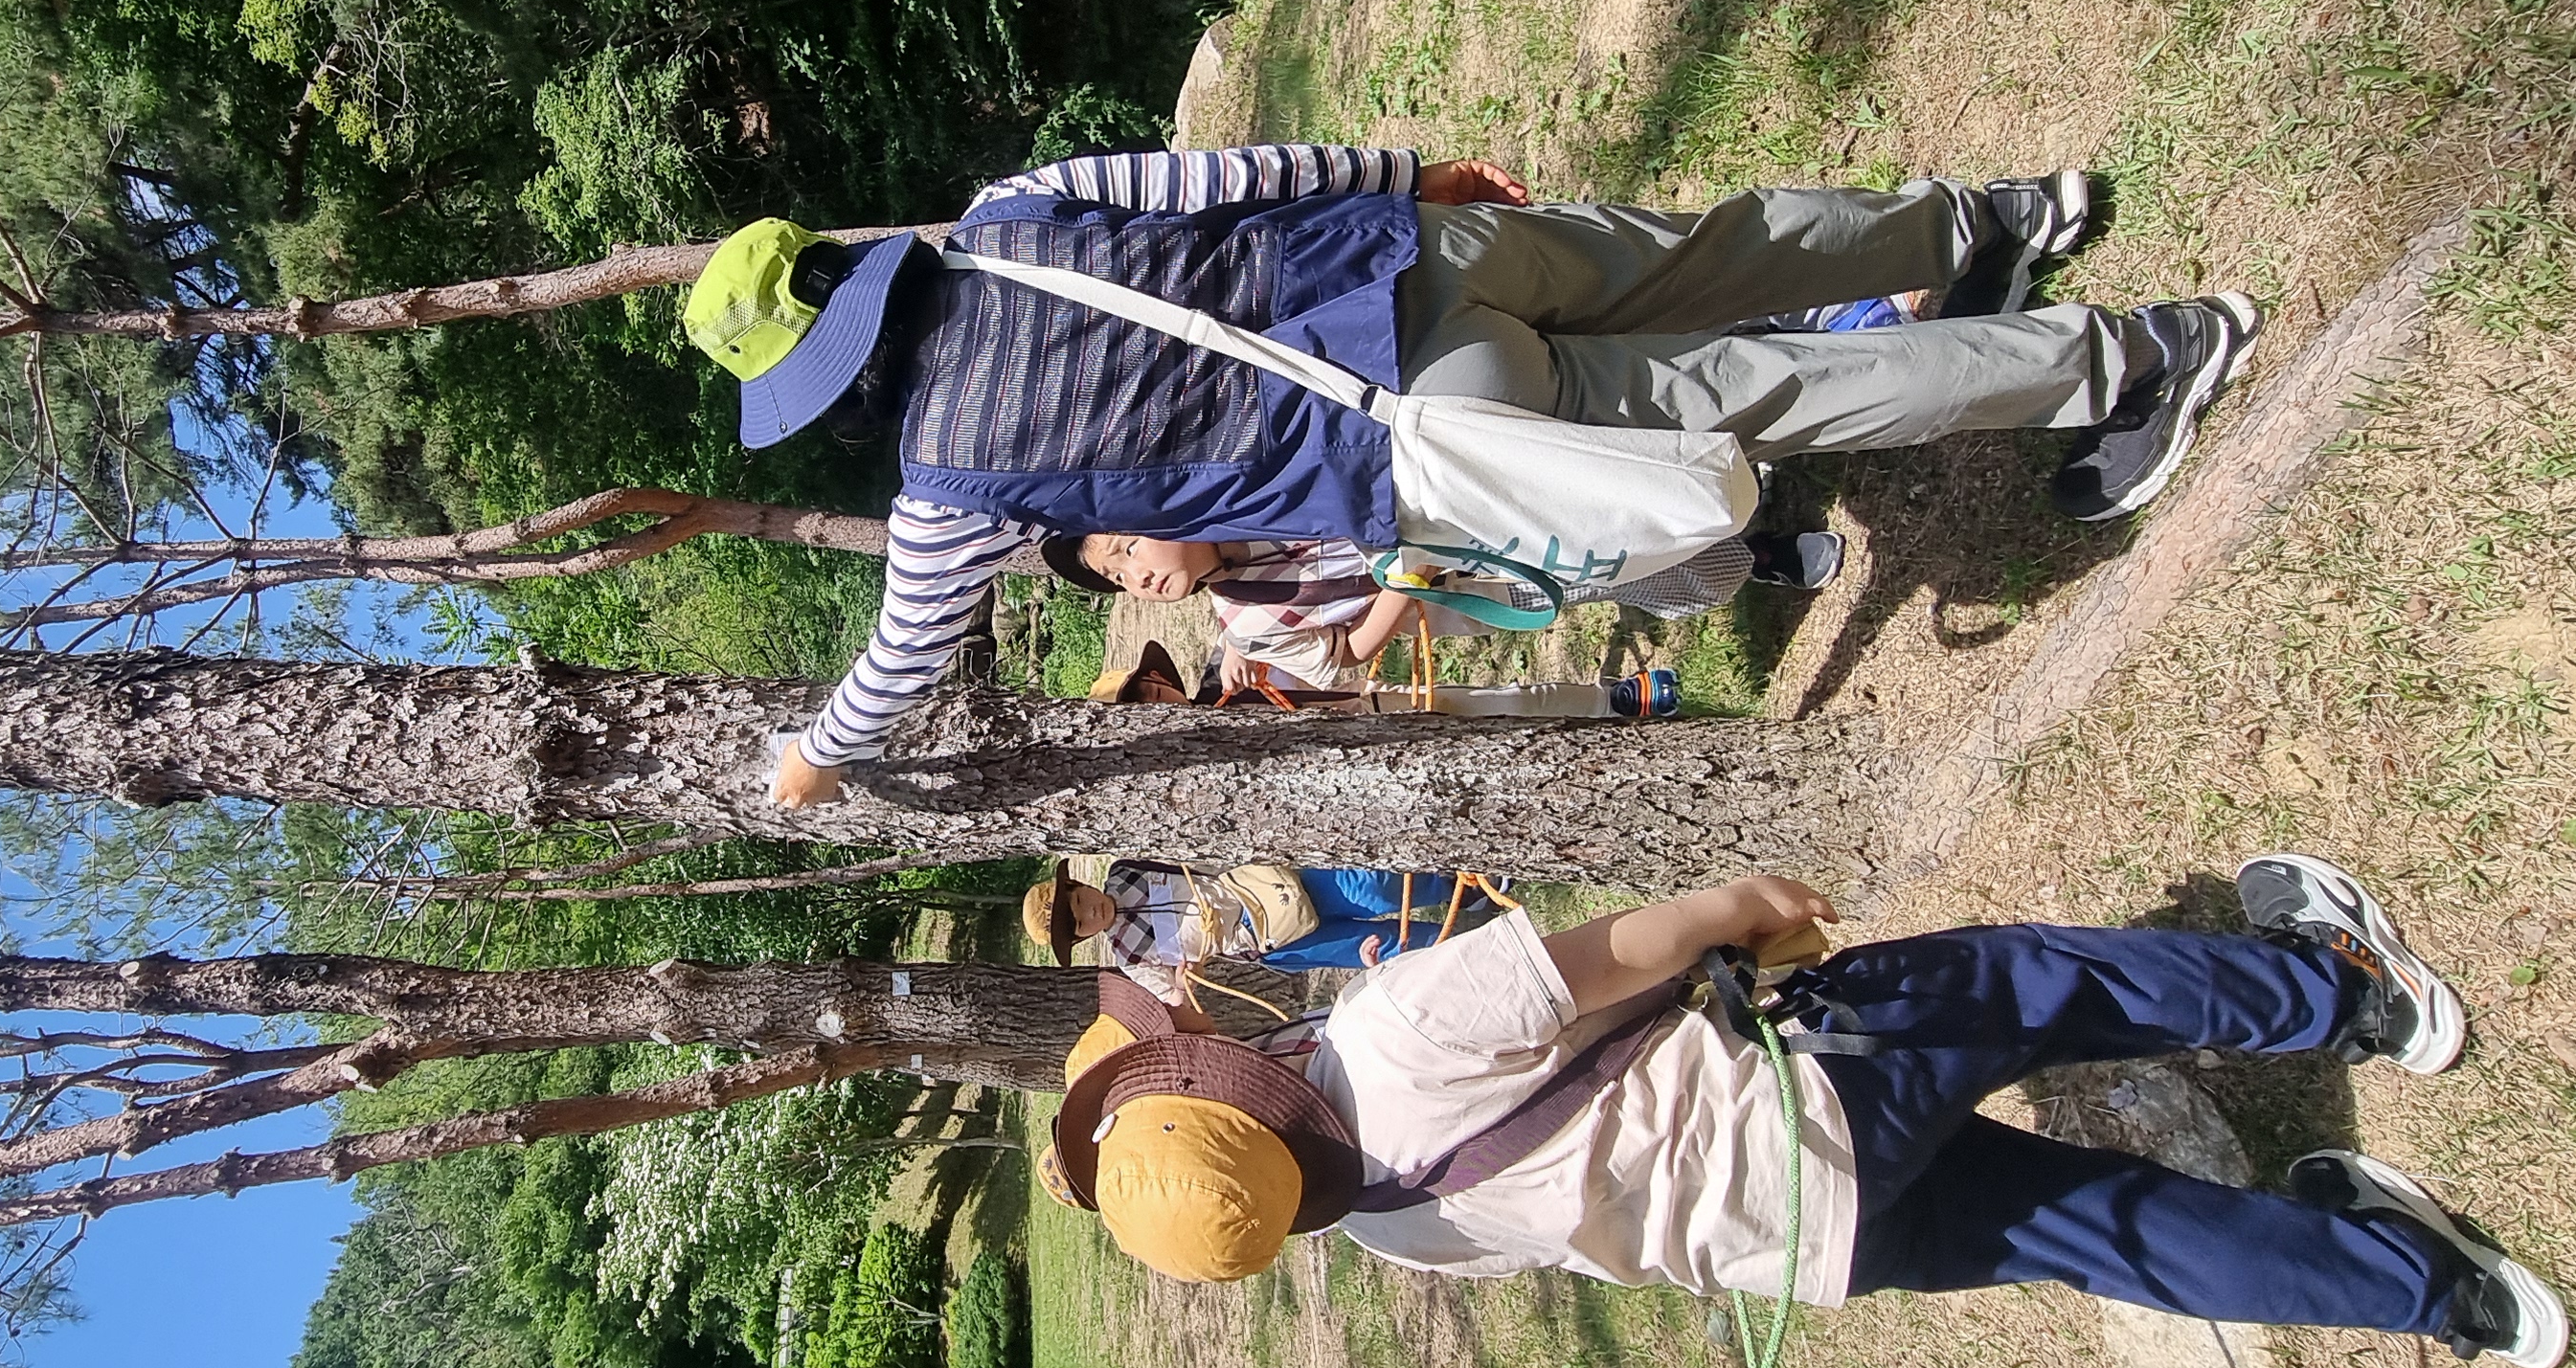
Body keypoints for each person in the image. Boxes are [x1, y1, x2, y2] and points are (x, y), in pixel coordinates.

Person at [682, 147, 2258, 809]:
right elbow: (1237, 174)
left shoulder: (952, 487)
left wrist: (813, 759)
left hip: (1418, 424)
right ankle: (1993, 220)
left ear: (832, 386)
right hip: (1413, 253)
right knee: (1718, 250)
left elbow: (899, 659)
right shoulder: (1007, 211)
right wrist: (1402, 174)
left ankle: (2135, 359)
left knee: (1767, 391)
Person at [1044, 852, 2565, 1368]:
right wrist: (1740, 905)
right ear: (1217, 1078)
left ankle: (2449, 1296)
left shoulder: (1388, 1232)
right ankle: (2348, 994)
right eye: (1173, 1053)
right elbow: (1620, 954)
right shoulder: (1389, 1027)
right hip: (1813, 1087)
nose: (1184, 1017)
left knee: (2103, 1234)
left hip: (1803, 1242)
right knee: (2037, 982)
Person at [1044, 527, 1846, 697]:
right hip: (1479, 590)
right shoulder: (1243, 623)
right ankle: (1755, 556)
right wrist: (1407, 586)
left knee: (1597, 515)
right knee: (1601, 572)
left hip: (1471, 503)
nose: (1134, 576)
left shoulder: (1252, 495)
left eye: (1125, 548)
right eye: (1116, 577)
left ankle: (1725, 501)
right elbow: (1343, 655)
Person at [1022, 856, 1511, 988]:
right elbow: (1171, 996)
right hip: (1271, 942)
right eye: (1080, 923)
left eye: (1079, 900)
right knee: (1382, 946)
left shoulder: (1126, 870)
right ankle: (1481, 946)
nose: (1091, 912)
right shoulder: (1131, 958)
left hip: (1266, 886)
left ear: (1080, 884)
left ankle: (1466, 889)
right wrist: (1184, 979)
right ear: (1084, 937)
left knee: (1373, 887)